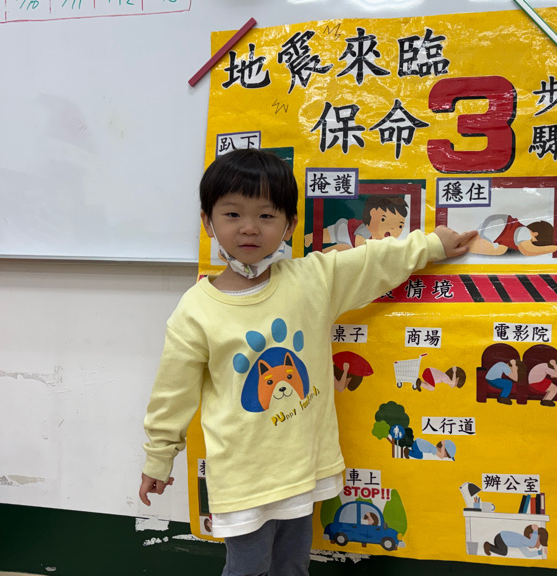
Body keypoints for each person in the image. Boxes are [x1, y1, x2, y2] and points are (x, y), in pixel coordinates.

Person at [138, 149, 476, 576]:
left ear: (289, 225)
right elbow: (173, 394)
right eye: (232, 214)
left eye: (266, 216)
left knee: (293, 566)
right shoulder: (195, 310)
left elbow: (372, 261)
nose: (249, 227)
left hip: (302, 468)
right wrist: (158, 458)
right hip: (243, 477)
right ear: (208, 222)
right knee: (247, 569)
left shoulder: (312, 280)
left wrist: (431, 245)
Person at [304, 195, 408, 252]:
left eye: (400, 225)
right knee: (330, 234)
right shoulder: (366, 230)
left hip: (349, 247)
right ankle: (310, 238)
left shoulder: (385, 241)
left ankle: (321, 255)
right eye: (383, 220)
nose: (392, 229)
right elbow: (359, 242)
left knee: (342, 249)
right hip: (347, 231)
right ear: (372, 214)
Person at [468, 214, 557, 256]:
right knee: (499, 250)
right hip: (497, 226)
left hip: (491, 228)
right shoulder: (525, 231)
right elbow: (527, 250)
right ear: (535, 233)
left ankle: (471, 244)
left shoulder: (519, 231)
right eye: (533, 241)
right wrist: (553, 248)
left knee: (500, 249)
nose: (531, 242)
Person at [483, 524, 549, 558]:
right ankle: (489, 546)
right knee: (504, 552)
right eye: (538, 543)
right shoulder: (524, 540)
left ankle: (489, 546)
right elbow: (532, 543)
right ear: (531, 535)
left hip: (501, 538)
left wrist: (540, 552)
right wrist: (535, 531)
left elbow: (528, 554)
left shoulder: (522, 544)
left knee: (503, 552)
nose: (537, 547)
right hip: (501, 538)